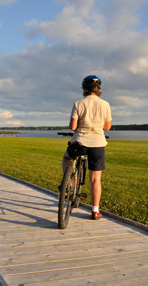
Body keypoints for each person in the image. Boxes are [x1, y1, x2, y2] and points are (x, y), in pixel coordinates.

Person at [62, 75, 112, 220]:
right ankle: (95, 211)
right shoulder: (105, 104)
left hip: (79, 142)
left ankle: (69, 182)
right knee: (95, 179)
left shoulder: (78, 103)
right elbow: (107, 127)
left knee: (67, 157)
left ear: (84, 88)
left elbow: (73, 127)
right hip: (97, 143)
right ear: (98, 89)